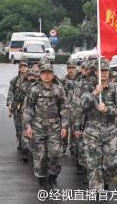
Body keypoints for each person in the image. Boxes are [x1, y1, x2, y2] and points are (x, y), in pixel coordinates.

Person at [79, 58, 117, 192]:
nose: (104, 73)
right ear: (97, 73)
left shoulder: (116, 87)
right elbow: (82, 106)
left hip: (110, 131)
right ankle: (96, 190)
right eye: (101, 71)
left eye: (106, 71)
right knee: (93, 163)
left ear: (109, 72)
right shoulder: (87, 86)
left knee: (111, 163)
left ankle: (105, 181)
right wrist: (94, 93)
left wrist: (107, 109)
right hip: (92, 131)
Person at [23, 63, 69, 191]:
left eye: (49, 72)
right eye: (44, 73)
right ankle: (42, 182)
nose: (47, 75)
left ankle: (53, 179)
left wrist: (64, 126)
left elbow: (64, 109)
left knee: (55, 155)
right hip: (38, 127)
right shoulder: (34, 89)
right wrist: (27, 126)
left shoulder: (59, 89)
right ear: (40, 75)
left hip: (55, 128)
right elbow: (28, 108)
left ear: (53, 75)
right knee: (40, 156)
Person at [6, 61, 29, 159]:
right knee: (18, 126)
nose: (23, 68)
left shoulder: (31, 80)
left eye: (25, 66)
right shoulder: (14, 81)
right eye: (22, 67)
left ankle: (26, 145)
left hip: (27, 108)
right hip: (17, 107)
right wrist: (10, 104)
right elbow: (10, 92)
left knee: (26, 127)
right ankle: (20, 141)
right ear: (19, 68)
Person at [62, 61, 77, 155]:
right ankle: (63, 146)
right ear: (67, 69)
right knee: (64, 128)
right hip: (66, 108)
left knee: (74, 128)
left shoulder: (79, 80)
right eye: (69, 68)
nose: (71, 70)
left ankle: (73, 146)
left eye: (73, 68)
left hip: (76, 108)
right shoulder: (62, 80)